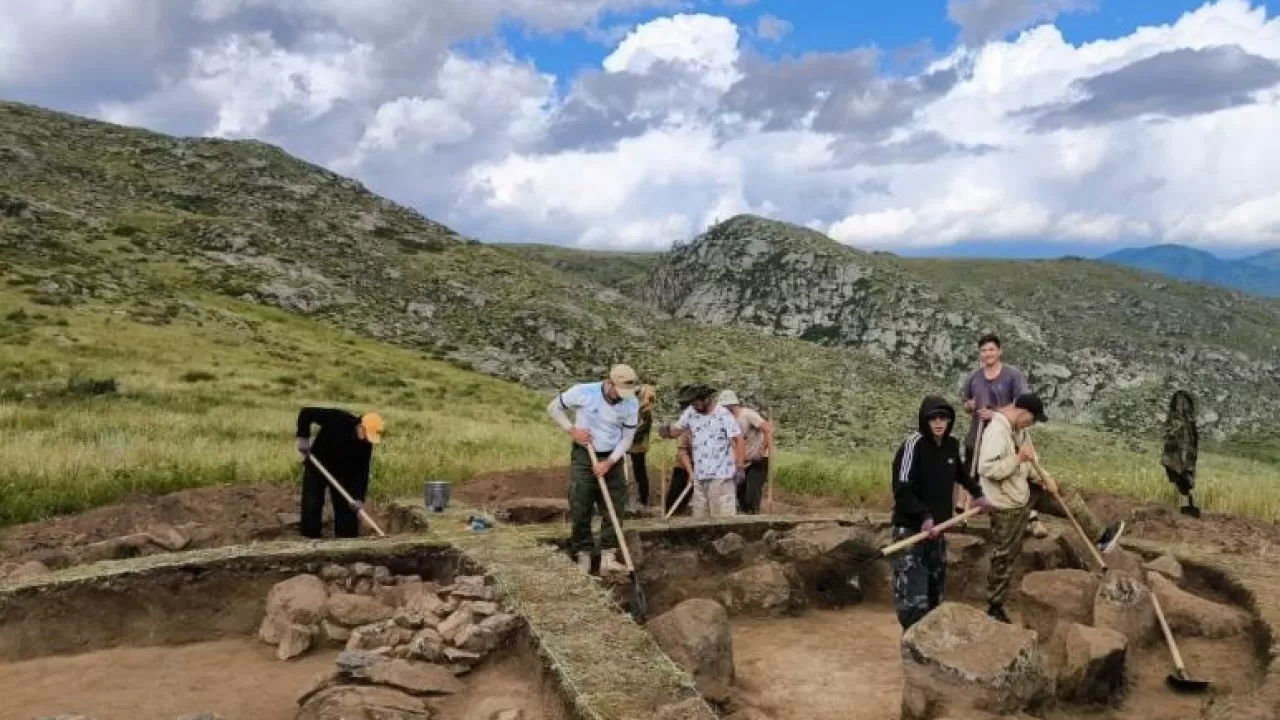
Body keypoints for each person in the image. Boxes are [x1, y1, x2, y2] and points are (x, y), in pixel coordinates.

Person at [979, 393, 1125, 623]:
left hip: (1024, 488)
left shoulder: (1020, 430)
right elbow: (987, 469)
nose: (1033, 424)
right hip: (1005, 501)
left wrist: (1045, 479)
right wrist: (1017, 459)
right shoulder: (996, 432)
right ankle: (994, 607)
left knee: (1064, 493)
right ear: (1023, 413)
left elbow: (1031, 459)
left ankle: (1101, 536)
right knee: (1005, 554)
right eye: (1033, 419)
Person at [890, 396, 992, 630]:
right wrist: (924, 517)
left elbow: (959, 472)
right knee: (913, 602)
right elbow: (902, 490)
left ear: (950, 420)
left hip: (938, 531)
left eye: (943, 417)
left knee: (935, 597)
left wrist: (977, 493)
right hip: (911, 532)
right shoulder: (913, 445)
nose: (938, 422)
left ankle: (931, 655)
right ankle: (911, 653)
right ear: (924, 420)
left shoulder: (951, 444)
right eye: (933, 418)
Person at [547, 364, 641, 575]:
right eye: (619, 391)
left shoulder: (631, 403)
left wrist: (609, 462)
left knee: (615, 504)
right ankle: (583, 553)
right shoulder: (583, 392)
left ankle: (608, 555)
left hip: (613, 456)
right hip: (584, 454)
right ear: (609, 383)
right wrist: (572, 430)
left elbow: (627, 438)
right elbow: (553, 407)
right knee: (581, 501)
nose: (622, 397)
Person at [960, 333, 1047, 538]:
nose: (987, 354)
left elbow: (1021, 404)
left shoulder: (1012, 376)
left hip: (1007, 431)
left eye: (991, 349)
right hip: (979, 430)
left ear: (999, 351)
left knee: (1019, 469)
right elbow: (965, 403)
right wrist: (970, 406)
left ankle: (1031, 518)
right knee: (975, 470)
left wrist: (996, 413)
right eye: (983, 350)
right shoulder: (974, 377)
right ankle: (976, 514)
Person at [295, 407, 384, 539]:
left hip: (342, 474)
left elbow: (362, 471)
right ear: (360, 426)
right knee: (312, 503)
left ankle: (347, 538)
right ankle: (309, 537)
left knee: (347, 509)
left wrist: (358, 497)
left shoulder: (366, 444)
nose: (367, 439)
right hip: (318, 464)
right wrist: (303, 437)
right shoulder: (338, 419)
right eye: (367, 434)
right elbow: (306, 413)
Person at [670, 384, 745, 517]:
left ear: (706, 399)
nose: (694, 406)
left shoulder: (723, 414)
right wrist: (667, 431)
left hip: (721, 476)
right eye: (692, 404)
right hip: (700, 475)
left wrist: (739, 466)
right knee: (700, 518)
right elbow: (676, 430)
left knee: (722, 517)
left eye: (696, 403)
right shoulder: (691, 413)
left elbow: (738, 439)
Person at [718, 390, 774, 515]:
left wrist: (762, 449)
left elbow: (768, 429)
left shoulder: (748, 415)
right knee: (740, 495)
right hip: (742, 462)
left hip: (758, 461)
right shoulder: (727, 421)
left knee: (752, 494)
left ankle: (754, 518)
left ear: (733, 405)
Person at [659, 385, 698, 516]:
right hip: (683, 467)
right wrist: (690, 472)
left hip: (701, 466)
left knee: (687, 498)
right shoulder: (685, 425)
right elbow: (682, 451)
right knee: (674, 499)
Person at [1162, 390, 1200, 518]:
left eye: (1183, 403)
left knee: (1184, 478)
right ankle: (1184, 503)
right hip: (1175, 453)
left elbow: (1192, 442)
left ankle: (1188, 504)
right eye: (1179, 403)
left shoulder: (1189, 422)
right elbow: (1169, 436)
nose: (1181, 406)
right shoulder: (1173, 419)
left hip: (1184, 454)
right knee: (1178, 476)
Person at [626, 383, 657, 510]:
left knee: (639, 471)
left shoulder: (646, 408)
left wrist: (629, 439)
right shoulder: (634, 404)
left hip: (637, 443)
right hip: (629, 439)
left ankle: (643, 500)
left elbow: (643, 427)